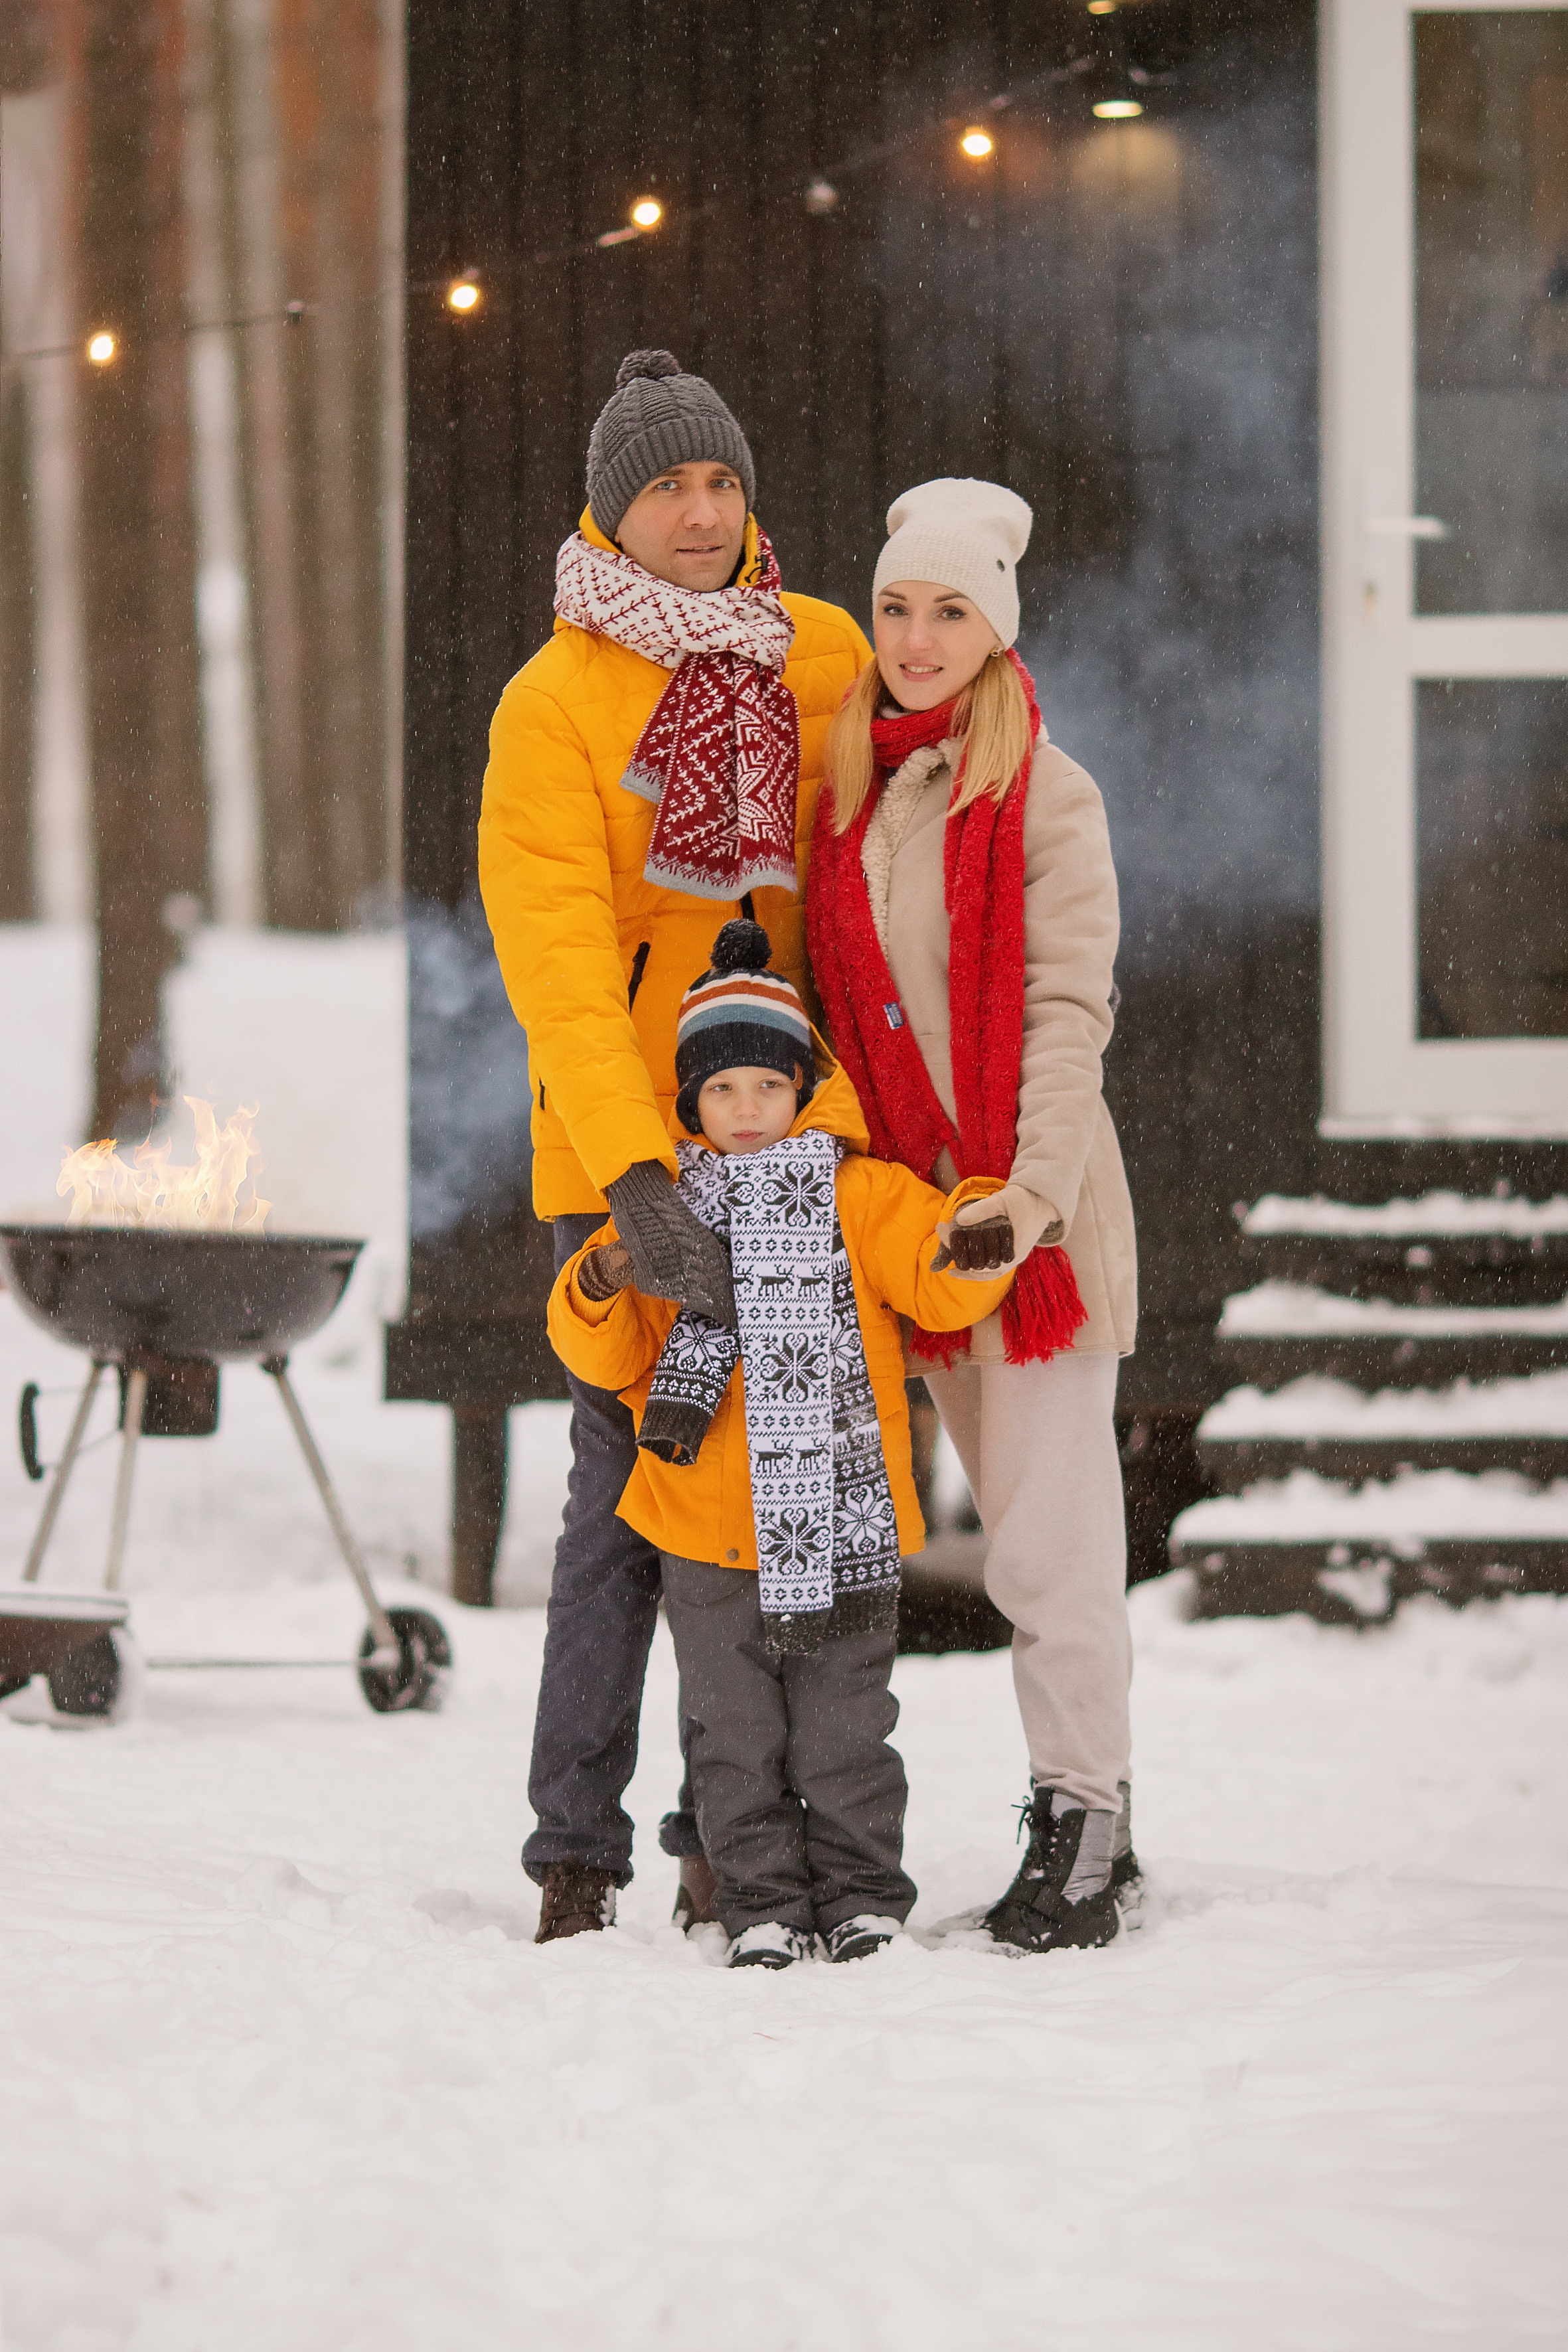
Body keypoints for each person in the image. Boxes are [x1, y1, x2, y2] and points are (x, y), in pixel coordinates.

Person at [478, 351, 870, 1942]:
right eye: (666, 486)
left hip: (790, 1152)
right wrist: (637, 1175)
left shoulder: (822, 655)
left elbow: (856, 897)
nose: (700, 514)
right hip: (624, 1161)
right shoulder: (554, 698)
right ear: (610, 507)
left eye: (719, 481)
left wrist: (845, 1136)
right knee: (623, 1506)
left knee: (767, 1506)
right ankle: (576, 1846)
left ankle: (730, 1831)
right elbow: (558, 956)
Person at [806, 477, 1140, 1954]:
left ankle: (1086, 1823)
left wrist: (1030, 1196)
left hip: (1031, 1229)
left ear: (993, 630)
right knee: (978, 1539)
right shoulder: (850, 789)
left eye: (948, 611)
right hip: (913, 1233)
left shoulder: (1045, 794)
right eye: (895, 606)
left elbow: (1067, 1011)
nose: (915, 637)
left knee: (1046, 1550)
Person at [546, 921, 1016, 1966]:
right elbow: (609, 1357)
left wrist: (981, 1223)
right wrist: (600, 1277)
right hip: (704, 1532)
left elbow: (937, 1267)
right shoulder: (667, 1212)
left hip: (840, 1520)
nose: (746, 1109)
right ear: (689, 1104)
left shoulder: (860, 1194)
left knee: (846, 1730)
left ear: (801, 1088)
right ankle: (757, 1904)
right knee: (732, 1739)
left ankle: (860, 1898)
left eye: (766, 1084)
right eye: (721, 1091)